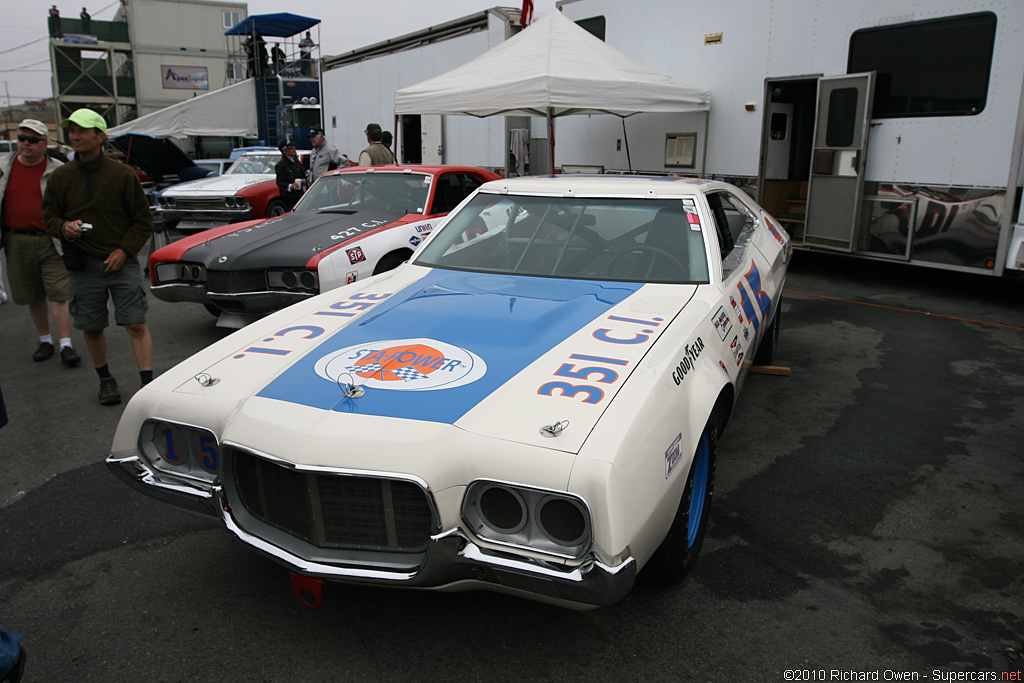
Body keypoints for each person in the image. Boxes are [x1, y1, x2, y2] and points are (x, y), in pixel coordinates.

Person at [41, 108, 154, 406]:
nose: (75, 136)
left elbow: (143, 221)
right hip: (82, 262)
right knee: (91, 326)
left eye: (82, 131)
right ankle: (106, 380)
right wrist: (64, 227)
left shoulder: (122, 175)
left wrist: (123, 250)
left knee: (135, 323)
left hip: (121, 260)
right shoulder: (61, 177)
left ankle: (147, 384)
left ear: (100, 136)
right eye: (72, 131)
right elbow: (49, 217)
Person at [0, 119, 81, 366]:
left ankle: (66, 344)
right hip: (16, 239)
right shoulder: (4, 166)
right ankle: (44, 340)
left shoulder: (58, 169)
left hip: (50, 239)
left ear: (44, 144)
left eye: (33, 140)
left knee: (58, 293)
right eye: (21, 138)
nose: (25, 144)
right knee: (32, 292)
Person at [274, 140, 305, 211]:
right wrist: (290, 186)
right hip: (290, 197)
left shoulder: (296, 161)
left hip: (301, 194)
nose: (294, 149)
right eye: (291, 148)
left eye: (294, 147)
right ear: (285, 151)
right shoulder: (281, 165)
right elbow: (279, 182)